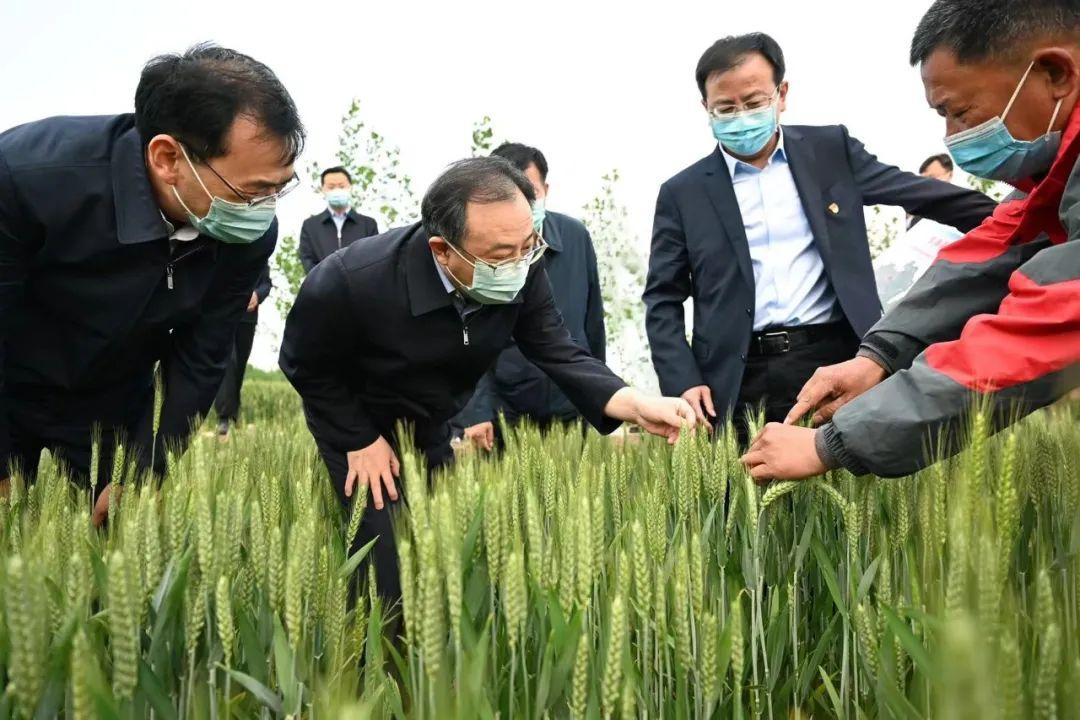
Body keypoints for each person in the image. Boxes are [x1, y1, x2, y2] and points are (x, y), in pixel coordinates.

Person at [280, 157, 696, 597]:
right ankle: (376, 658)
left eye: (528, 245)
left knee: (441, 560)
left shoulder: (521, 266)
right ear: (442, 250)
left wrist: (637, 404)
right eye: (502, 254)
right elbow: (304, 363)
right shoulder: (351, 280)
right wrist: (357, 439)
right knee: (388, 571)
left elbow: (557, 349)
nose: (521, 263)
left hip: (431, 422)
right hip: (356, 420)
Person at [744, 0, 1080, 481]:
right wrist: (876, 356)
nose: (951, 137)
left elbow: (1043, 325)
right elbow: (986, 255)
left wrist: (831, 444)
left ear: (1055, 73)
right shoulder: (1052, 181)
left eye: (961, 112)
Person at [0, 43, 303, 524]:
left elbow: (202, 356)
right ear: (167, 157)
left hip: (113, 409)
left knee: (108, 553)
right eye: (253, 191)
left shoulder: (247, 233)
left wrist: (143, 470)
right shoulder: (24, 178)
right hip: (12, 388)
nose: (265, 208)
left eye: (279, 187)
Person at [644, 32, 998, 440]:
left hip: (835, 359)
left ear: (782, 95)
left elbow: (919, 194)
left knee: (846, 489)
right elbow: (663, 298)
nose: (741, 117)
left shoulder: (829, 150)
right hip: (736, 376)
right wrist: (682, 379)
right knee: (744, 498)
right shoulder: (682, 192)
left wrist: (1020, 216)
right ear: (706, 108)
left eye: (755, 102)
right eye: (726, 108)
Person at [455, 142, 606, 451]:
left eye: (531, 193)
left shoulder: (576, 236)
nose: (523, 204)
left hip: (570, 403)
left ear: (546, 189)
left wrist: (599, 395)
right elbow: (465, 334)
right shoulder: (477, 247)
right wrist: (477, 408)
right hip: (504, 412)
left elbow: (593, 323)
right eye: (513, 194)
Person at [215, 262, 273, 436]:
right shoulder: (224, 246)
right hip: (224, 314)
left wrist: (257, 295)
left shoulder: (261, 252)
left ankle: (234, 415)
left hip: (248, 318)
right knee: (228, 362)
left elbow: (266, 284)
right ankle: (223, 418)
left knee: (239, 365)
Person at [298, 167, 379, 273]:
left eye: (341, 186)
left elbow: (375, 257)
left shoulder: (368, 224)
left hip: (361, 286)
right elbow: (307, 259)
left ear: (350, 187)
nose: (337, 190)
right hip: (323, 286)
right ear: (323, 189)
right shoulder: (310, 226)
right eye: (331, 187)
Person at [908, 153, 957, 229]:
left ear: (950, 175)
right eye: (923, 180)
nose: (927, 184)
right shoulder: (916, 214)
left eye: (932, 177)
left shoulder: (963, 206)